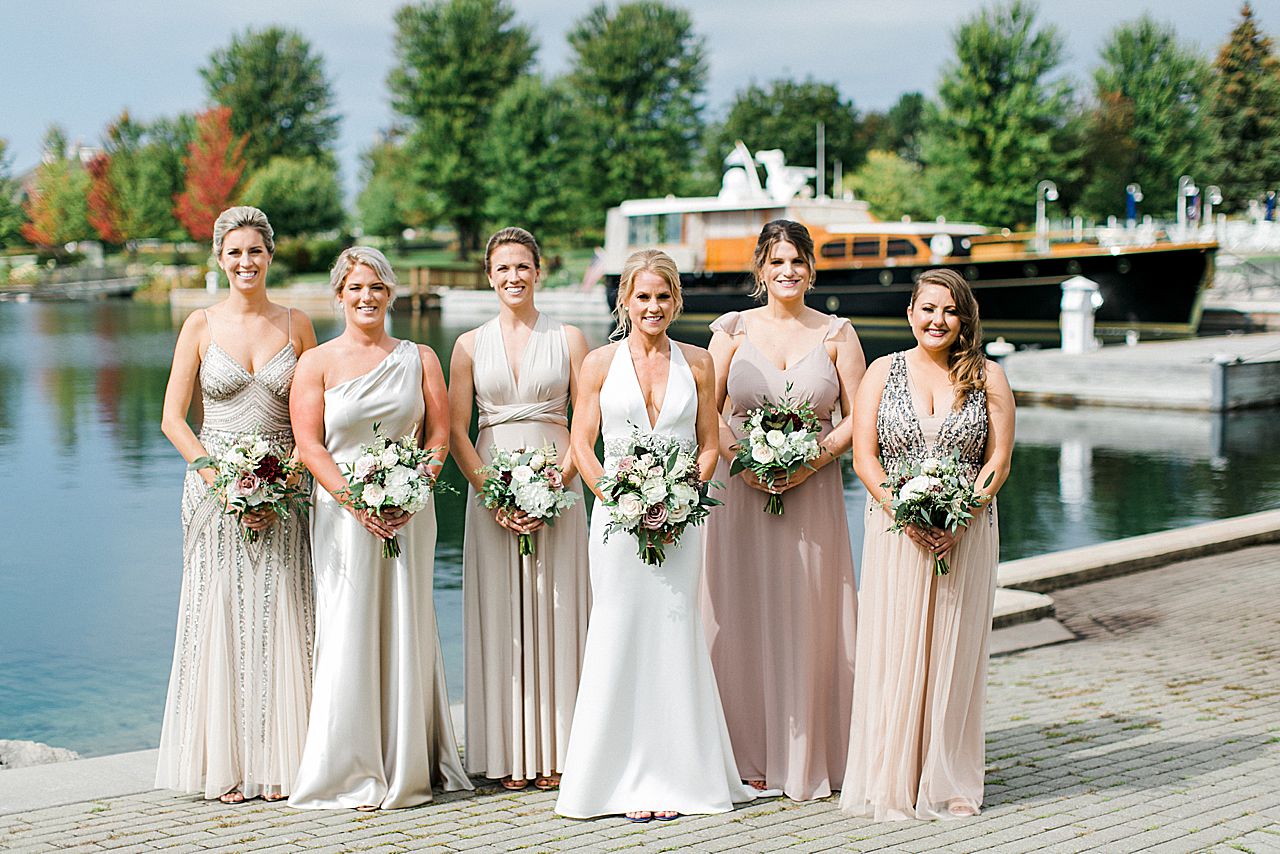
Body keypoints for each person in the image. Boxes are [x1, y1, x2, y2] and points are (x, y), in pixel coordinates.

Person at [555, 249, 759, 822]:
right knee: (617, 634)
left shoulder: (698, 364)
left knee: (673, 634)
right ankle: (611, 780)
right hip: (616, 526)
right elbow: (583, 446)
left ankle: (674, 776)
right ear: (624, 300)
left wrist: (682, 498)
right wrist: (619, 501)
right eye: (642, 297)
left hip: (681, 524)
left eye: (663, 297)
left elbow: (710, 444)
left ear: (677, 301)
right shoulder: (597, 363)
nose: (653, 307)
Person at [288, 247, 471, 810]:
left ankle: (409, 758)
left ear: (390, 294)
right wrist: (353, 500)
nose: (366, 297)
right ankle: (348, 764)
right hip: (342, 517)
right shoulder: (316, 362)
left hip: (409, 515)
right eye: (355, 288)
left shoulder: (419, 358)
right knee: (349, 625)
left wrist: (413, 490)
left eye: (376, 287)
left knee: (406, 624)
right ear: (339, 295)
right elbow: (309, 445)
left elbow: (438, 435)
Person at [156, 206, 318, 803]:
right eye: (234, 252)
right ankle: (222, 764)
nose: (245, 262)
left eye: (255, 251)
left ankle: (284, 761)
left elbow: (312, 418)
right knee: (218, 613)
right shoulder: (199, 325)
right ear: (219, 259)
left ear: (270, 256)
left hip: (286, 487)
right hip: (213, 490)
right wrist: (217, 478)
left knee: (284, 609)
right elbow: (173, 419)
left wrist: (286, 478)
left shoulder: (298, 324)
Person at [840, 268, 1015, 820]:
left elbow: (998, 461)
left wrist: (962, 517)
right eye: (928, 308)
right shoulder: (881, 371)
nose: (937, 320)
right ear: (911, 312)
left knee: (954, 651)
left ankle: (949, 776)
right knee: (894, 648)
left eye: (950, 311)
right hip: (897, 533)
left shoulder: (988, 377)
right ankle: (892, 773)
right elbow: (864, 457)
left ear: (964, 319)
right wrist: (904, 512)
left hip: (966, 532)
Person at [701, 219, 865, 801]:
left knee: (809, 612)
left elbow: (857, 417)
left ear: (812, 269)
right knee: (738, 614)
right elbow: (708, 410)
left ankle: (808, 753)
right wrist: (747, 458)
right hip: (741, 492)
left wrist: (808, 462)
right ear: (760, 269)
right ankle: (744, 752)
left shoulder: (838, 334)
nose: (788, 272)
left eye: (798, 261)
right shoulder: (731, 331)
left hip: (812, 495)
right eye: (777, 262)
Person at [448, 227, 591, 791]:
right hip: (492, 487)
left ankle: (562, 749)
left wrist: (562, 478)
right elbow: (456, 431)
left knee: (560, 610)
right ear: (490, 276)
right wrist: (489, 491)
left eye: (523, 267)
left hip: (562, 481)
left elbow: (588, 420)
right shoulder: (466, 346)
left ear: (539, 271)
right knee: (502, 614)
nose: (514, 277)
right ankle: (505, 753)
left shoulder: (572, 338)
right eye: (503, 268)